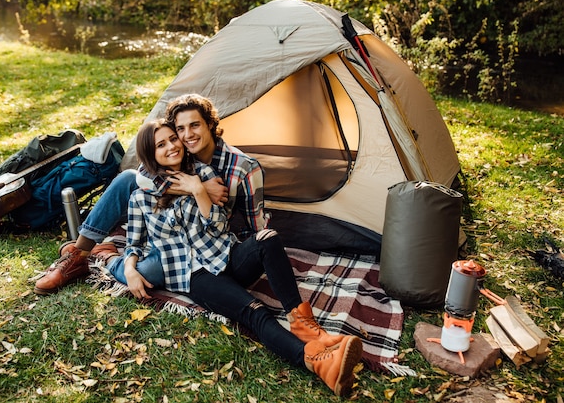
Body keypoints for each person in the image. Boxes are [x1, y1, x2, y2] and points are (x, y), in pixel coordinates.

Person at [113, 119, 362, 397]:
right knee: (255, 312)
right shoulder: (140, 198)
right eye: (161, 144)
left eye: (173, 138)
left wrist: (198, 190)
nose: (173, 146)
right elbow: (133, 243)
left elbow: (219, 226)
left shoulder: (203, 173)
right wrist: (131, 269)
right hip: (195, 277)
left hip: (226, 255)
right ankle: (316, 362)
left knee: (268, 239)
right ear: (150, 153)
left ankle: (303, 324)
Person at [34, 94, 265, 296]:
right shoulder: (179, 152)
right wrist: (198, 188)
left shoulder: (242, 167)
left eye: (195, 126)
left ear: (210, 125)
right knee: (127, 179)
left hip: (212, 240)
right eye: (180, 130)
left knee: (150, 272)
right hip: (169, 233)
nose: (186, 136)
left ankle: (107, 256)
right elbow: (142, 176)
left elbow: (257, 228)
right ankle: (78, 254)